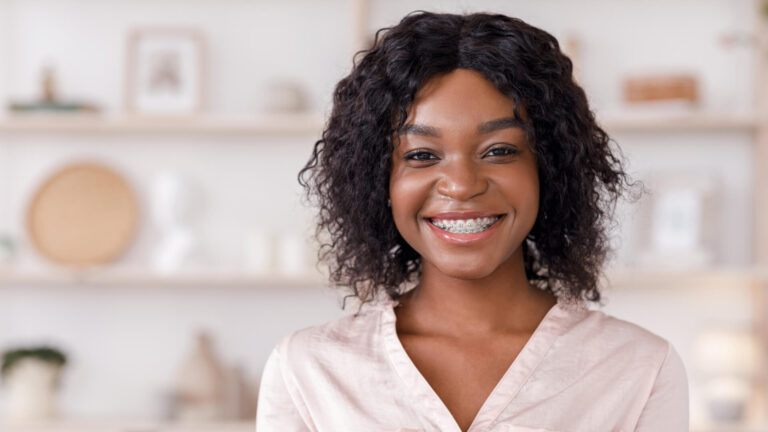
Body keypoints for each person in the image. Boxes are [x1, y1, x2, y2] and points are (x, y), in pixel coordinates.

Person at [256, 11, 688, 432]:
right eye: (421, 155)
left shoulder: (640, 369)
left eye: (499, 150)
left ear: (549, 169)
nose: (461, 186)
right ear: (378, 181)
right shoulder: (307, 371)